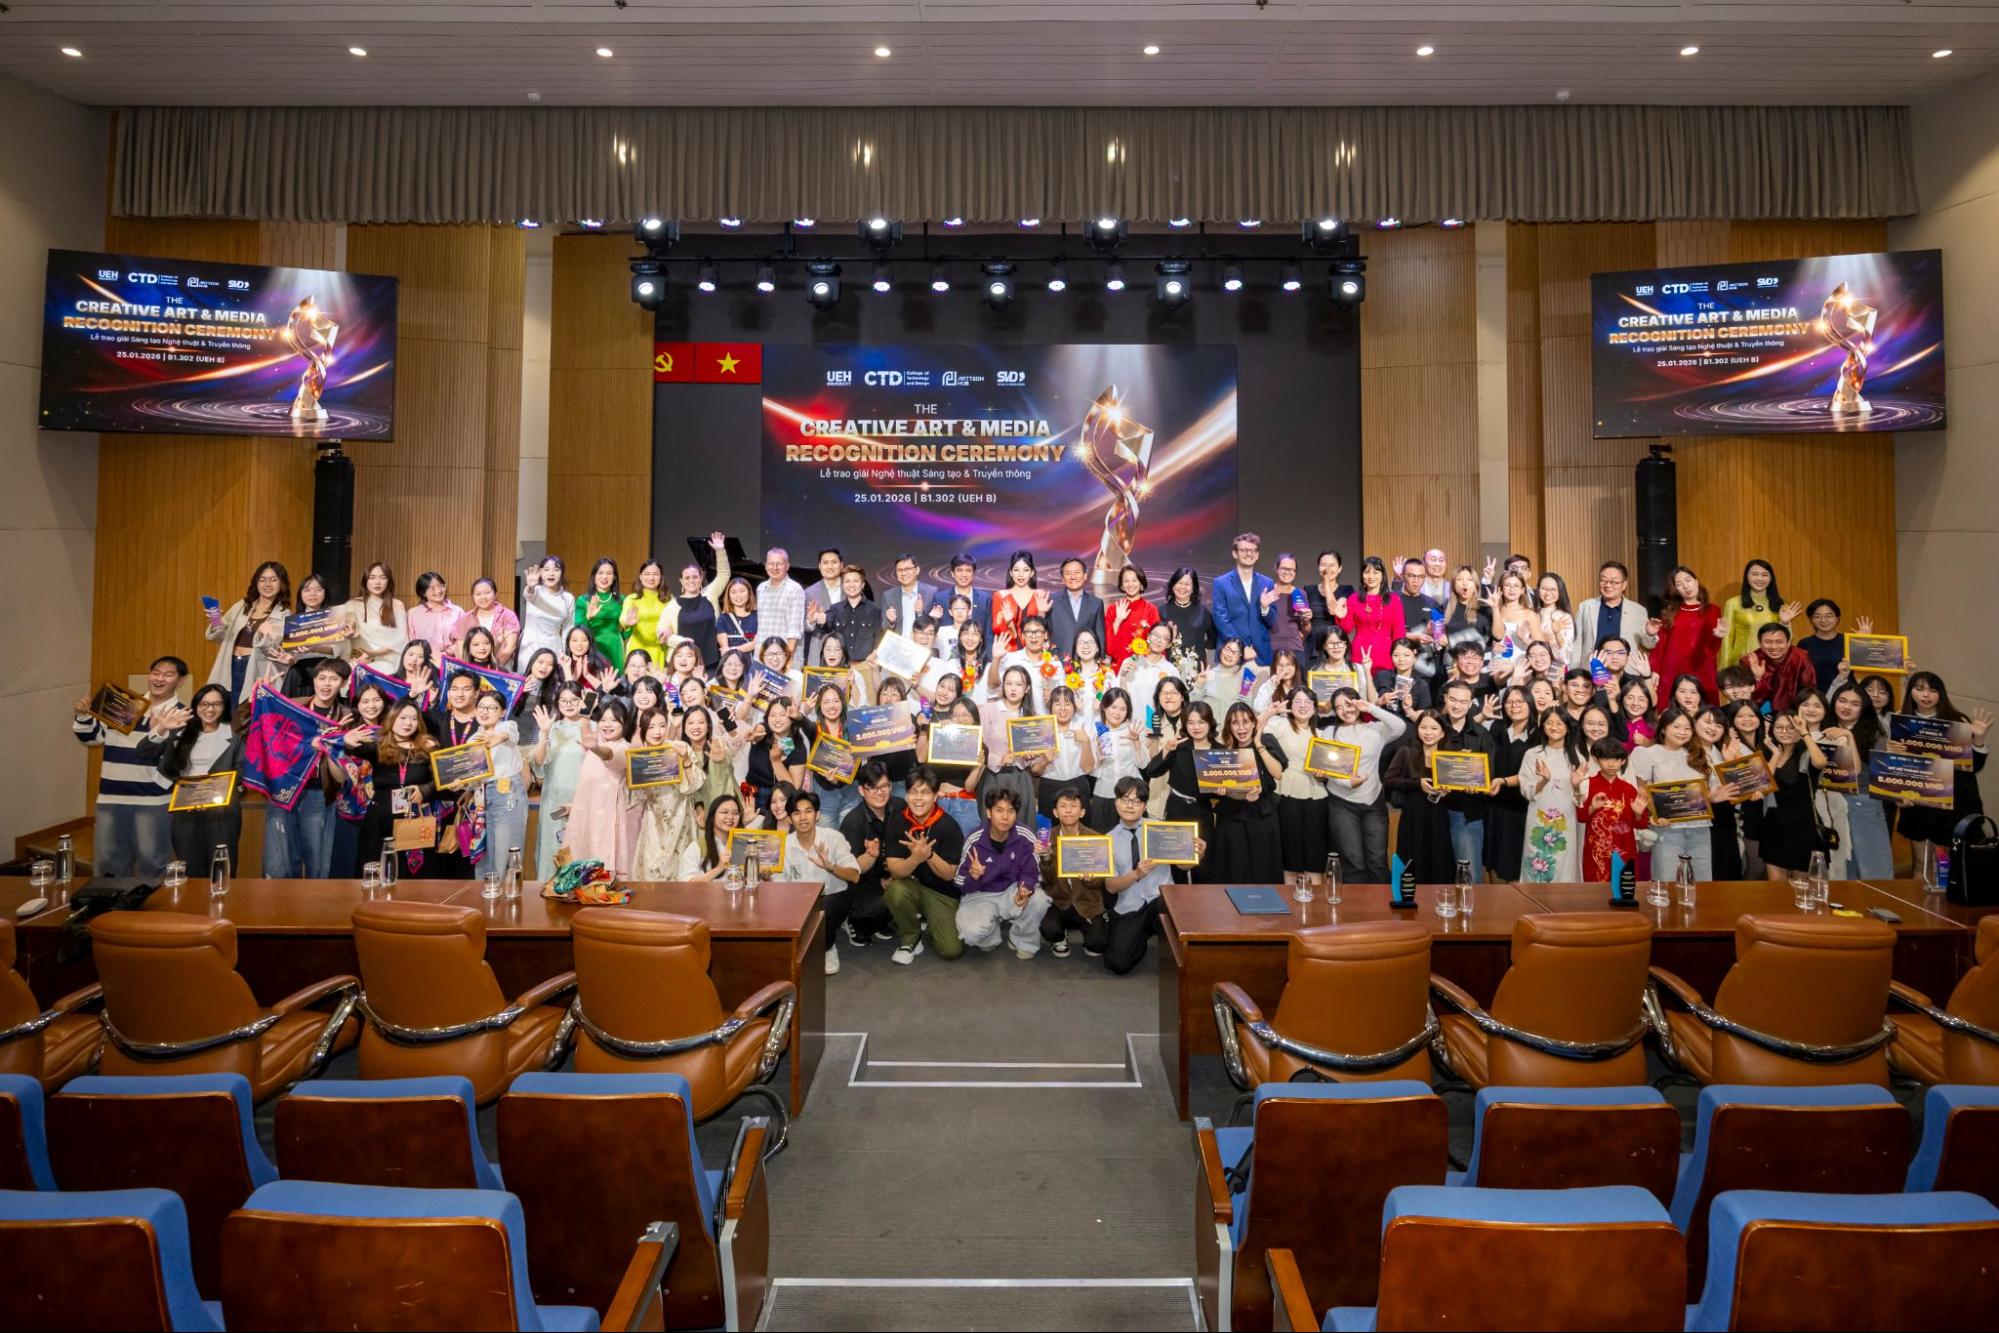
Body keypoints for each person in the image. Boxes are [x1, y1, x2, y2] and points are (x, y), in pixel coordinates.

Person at [72, 655, 186, 879]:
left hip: (154, 800)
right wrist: (82, 715)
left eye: (168, 674)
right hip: (111, 797)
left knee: (152, 863)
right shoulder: (125, 706)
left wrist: (160, 732)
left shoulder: (182, 714)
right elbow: (91, 738)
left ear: (180, 681)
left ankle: (152, 904)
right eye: (155, 673)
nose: (159, 678)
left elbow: (177, 762)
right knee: (109, 864)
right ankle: (110, 903)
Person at [134, 683, 245, 873]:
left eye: (216, 704)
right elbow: (142, 753)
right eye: (204, 704)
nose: (210, 709)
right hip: (185, 812)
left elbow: (242, 771)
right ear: (196, 706)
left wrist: (212, 792)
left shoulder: (235, 736)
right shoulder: (181, 732)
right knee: (190, 869)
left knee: (221, 868)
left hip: (222, 813)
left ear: (225, 707)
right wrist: (162, 728)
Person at [263, 658, 355, 879]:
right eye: (322, 678)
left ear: (343, 683)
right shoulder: (292, 705)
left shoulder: (346, 715)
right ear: (314, 680)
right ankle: (282, 901)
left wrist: (332, 743)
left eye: (334, 679)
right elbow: (249, 726)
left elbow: (347, 762)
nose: (326, 684)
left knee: (317, 859)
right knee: (280, 859)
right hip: (284, 788)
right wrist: (260, 698)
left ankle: (316, 901)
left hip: (318, 790)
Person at [1894, 671, 1992, 870]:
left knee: (1948, 864)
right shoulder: (1900, 721)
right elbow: (1894, 767)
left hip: (1954, 803)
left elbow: (1974, 767)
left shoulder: (1957, 720)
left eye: (1932, 690)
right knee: (1921, 863)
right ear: (1911, 691)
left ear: (1941, 693)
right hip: (1919, 802)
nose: (1926, 695)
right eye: (1920, 689)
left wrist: (1978, 739)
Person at [338, 698, 439, 883]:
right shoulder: (379, 744)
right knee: (376, 872)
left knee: (415, 876)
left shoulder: (428, 746)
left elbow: (441, 780)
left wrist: (425, 790)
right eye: (402, 718)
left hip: (415, 817)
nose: (408, 723)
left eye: (413, 719)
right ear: (392, 719)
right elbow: (354, 749)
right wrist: (347, 741)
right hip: (380, 818)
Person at [1102, 776, 1192, 974]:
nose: (1130, 806)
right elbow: (1111, 887)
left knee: (1167, 904)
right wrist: (1136, 874)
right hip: (1129, 906)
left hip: (1160, 901)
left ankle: (1175, 945)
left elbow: (1183, 866)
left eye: (1137, 801)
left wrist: (1196, 856)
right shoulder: (1108, 839)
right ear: (1116, 803)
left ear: (1144, 806)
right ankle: (1139, 936)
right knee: (1117, 964)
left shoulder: (1161, 829)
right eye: (1125, 800)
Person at [1319, 687, 1407, 883]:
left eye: (1348, 704)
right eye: (1338, 707)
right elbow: (1327, 769)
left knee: (1377, 861)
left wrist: (1371, 708)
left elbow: (1400, 727)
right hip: (1341, 803)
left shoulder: (1375, 729)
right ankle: (1356, 904)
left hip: (1373, 803)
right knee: (1353, 862)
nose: (1345, 710)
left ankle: (1379, 903)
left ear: (1357, 703)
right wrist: (1347, 782)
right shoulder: (1329, 733)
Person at [952, 788, 1051, 960]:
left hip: (1012, 890)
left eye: (1010, 811)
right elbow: (960, 883)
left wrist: (1025, 888)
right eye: (999, 810)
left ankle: (1022, 940)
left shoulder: (1025, 835)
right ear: (989, 813)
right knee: (970, 931)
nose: (1005, 816)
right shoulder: (974, 839)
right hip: (980, 894)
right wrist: (973, 877)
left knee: (1040, 899)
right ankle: (990, 936)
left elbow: (1031, 871)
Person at [1626, 706, 1720, 880]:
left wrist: (1713, 797)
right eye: (1676, 727)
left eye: (1687, 728)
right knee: (1666, 881)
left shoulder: (1699, 754)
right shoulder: (1648, 754)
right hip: (1667, 829)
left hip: (1699, 828)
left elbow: (1706, 792)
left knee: (1702, 881)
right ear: (1663, 728)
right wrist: (1653, 814)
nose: (1682, 732)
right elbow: (1641, 790)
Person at [781, 790, 861, 975]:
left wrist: (831, 867)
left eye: (808, 811)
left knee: (825, 907)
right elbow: (780, 887)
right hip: (799, 902)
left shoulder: (833, 838)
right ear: (790, 819)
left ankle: (828, 947)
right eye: (796, 813)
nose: (803, 817)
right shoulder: (784, 844)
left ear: (817, 815)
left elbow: (854, 876)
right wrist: (766, 877)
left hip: (832, 899)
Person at [1209, 702, 1283, 884]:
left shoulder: (1266, 740)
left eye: (1246, 722)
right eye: (1235, 723)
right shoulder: (1223, 750)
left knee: (1262, 868)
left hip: (1262, 816)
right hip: (1231, 817)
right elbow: (1218, 785)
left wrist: (1258, 744)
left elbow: (1278, 773)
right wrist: (1223, 791)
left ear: (1253, 723)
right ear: (1229, 726)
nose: (1241, 728)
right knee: (1233, 868)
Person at [1826, 681, 1893, 879]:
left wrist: (1849, 737)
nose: (1846, 707)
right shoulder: (1825, 728)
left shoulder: (1875, 733)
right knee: (1844, 868)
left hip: (1863, 802)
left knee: (1874, 866)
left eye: (1854, 704)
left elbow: (1881, 774)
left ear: (1863, 708)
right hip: (1831, 803)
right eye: (1842, 701)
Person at [567, 698, 639, 874]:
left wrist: (596, 749)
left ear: (624, 724)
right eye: (603, 720)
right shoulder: (597, 740)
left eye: (614, 720)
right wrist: (587, 706)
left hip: (606, 818)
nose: (607, 724)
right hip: (584, 814)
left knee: (601, 866)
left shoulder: (624, 748)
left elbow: (608, 754)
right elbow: (586, 733)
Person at [837, 761, 903, 951]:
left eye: (884, 786)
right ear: (861, 790)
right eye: (872, 788)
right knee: (872, 909)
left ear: (891, 786)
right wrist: (870, 855)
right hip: (863, 883)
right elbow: (851, 871)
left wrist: (894, 877)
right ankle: (855, 923)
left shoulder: (900, 807)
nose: (879, 792)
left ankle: (883, 920)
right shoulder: (853, 822)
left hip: (894, 873)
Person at [1384, 711, 1456, 883]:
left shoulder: (1449, 756)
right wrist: (1417, 784)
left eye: (1434, 728)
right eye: (1423, 727)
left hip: (1439, 818)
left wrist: (1448, 791)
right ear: (1417, 730)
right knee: (1411, 863)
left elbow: (1457, 789)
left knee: (1439, 863)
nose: (1428, 732)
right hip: (1412, 818)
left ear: (1442, 733)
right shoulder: (1406, 752)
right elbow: (1388, 780)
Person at [205, 560, 289, 705]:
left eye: (273, 580)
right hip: (229, 664)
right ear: (256, 583)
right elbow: (219, 638)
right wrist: (216, 621)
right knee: (224, 707)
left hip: (253, 668)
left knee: (245, 710)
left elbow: (272, 650)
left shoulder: (284, 614)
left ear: (282, 584)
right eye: (262, 579)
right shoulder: (241, 606)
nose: (267, 584)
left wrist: (262, 634)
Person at [1437, 679, 1497, 881]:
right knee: (1434, 875)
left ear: (1471, 703)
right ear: (1445, 699)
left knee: (1469, 876)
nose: (1457, 706)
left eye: (1463, 702)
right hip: (1433, 812)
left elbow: (1488, 775)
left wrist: (1477, 781)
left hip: (1467, 812)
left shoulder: (1482, 734)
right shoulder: (1431, 727)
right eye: (1453, 700)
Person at [1037, 787, 1109, 958]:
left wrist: (1090, 879)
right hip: (1059, 901)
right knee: (1048, 930)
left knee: (1097, 945)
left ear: (1082, 812)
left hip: (1087, 903)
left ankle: (1096, 924)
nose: (1068, 810)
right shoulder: (1047, 838)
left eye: (1073, 806)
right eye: (1063, 806)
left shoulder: (1095, 838)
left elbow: (1100, 882)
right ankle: (1060, 936)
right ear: (1055, 812)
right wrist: (1046, 858)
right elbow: (1047, 881)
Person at [1759, 711, 1829, 879]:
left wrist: (1804, 733)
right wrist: (1775, 755)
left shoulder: (1807, 754)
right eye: (1779, 727)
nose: (1784, 731)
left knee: (1802, 888)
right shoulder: (1768, 754)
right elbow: (1764, 785)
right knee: (1776, 889)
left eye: (1791, 727)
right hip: (1774, 827)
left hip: (1803, 829)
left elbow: (1821, 763)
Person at [468, 687, 528, 880]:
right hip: (480, 797)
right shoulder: (473, 739)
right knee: (483, 851)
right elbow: (472, 773)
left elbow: (510, 735)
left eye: (492, 708)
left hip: (506, 793)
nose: (485, 711)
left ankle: (506, 894)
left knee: (505, 849)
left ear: (502, 712)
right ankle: (485, 894)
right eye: (481, 707)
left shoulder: (507, 726)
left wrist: (497, 738)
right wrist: (462, 785)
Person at [1518, 707, 1582, 883]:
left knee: (1564, 867)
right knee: (1537, 866)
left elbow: (1582, 797)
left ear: (1567, 727)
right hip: (1539, 820)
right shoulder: (1533, 755)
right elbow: (1526, 791)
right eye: (1549, 723)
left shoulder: (1577, 756)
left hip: (1566, 821)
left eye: (1559, 723)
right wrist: (1544, 781)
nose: (1554, 727)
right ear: (1543, 726)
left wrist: (1576, 785)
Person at [1647, 566, 1723, 703]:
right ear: (1675, 589)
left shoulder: (1713, 610)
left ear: (1696, 581)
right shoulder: (1669, 612)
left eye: (1688, 580)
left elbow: (1713, 649)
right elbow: (1661, 644)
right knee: (1672, 710)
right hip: (1672, 669)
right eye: (1679, 584)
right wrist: (1655, 670)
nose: (1686, 586)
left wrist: (1718, 636)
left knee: (1704, 710)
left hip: (1702, 667)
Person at [1484, 686, 1536, 880]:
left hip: (1522, 810)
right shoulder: (1497, 728)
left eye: (1520, 701)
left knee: (1515, 867)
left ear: (1530, 703)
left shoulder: (1539, 734)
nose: (1514, 706)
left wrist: (1503, 782)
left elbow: (1532, 775)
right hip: (1494, 807)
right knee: (1493, 863)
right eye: (1509, 702)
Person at [1578, 737, 1643, 881]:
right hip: (1596, 850)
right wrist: (1592, 808)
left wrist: (1638, 814)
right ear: (1596, 759)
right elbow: (1581, 817)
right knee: (1595, 888)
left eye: (1616, 759)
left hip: (1625, 848)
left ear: (1623, 761)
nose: (1611, 764)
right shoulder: (1587, 785)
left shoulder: (1629, 789)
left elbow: (1639, 824)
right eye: (1605, 759)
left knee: (1624, 887)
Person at [1572, 561, 1656, 666]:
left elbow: (1648, 645)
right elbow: (1576, 643)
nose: (1608, 585)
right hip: (1592, 669)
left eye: (1614, 582)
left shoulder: (1638, 611)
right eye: (1603, 580)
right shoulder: (1585, 606)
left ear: (1624, 585)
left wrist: (1650, 634)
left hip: (1625, 670)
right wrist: (1574, 670)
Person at [1211, 531, 1278, 663]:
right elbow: (1221, 620)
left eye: (1253, 550)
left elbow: (1272, 622)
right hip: (1230, 654)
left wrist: (1265, 608)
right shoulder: (1221, 583)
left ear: (1257, 555)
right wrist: (1241, 647)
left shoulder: (1267, 583)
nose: (1249, 554)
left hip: (1260, 655)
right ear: (1235, 553)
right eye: (1244, 550)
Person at [1719, 559, 1796, 670]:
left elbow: (1787, 640)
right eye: (1755, 574)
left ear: (1771, 579)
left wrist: (1785, 623)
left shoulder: (1780, 604)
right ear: (1747, 577)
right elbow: (1726, 640)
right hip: (1743, 664)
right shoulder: (1733, 603)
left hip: (1772, 664)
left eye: (1764, 575)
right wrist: (1724, 671)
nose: (1760, 578)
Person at [1337, 557, 1402, 668]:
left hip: (1386, 654)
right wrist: (1340, 616)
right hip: (1360, 653)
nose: (1371, 576)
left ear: (1382, 576)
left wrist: (1399, 655)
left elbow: (1399, 631)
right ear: (1362, 575)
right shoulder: (1354, 599)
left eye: (1376, 572)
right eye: (1366, 572)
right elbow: (1346, 629)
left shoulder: (1394, 599)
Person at [1743, 622, 1817, 713]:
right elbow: (1745, 697)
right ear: (1760, 643)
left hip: (1794, 711)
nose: (1774, 647)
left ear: (1788, 642)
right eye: (1768, 642)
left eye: (1779, 642)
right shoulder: (1749, 662)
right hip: (1758, 712)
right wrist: (1758, 678)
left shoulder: (1801, 657)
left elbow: (1808, 689)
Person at [1045, 556, 1108, 659]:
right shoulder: (1051, 600)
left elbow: (1100, 636)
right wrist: (1041, 613)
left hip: (1086, 661)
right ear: (1062, 579)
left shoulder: (1096, 603)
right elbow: (1042, 631)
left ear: (1085, 575)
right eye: (1068, 573)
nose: (1073, 577)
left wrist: (1101, 660)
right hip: (1057, 661)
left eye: (1077, 572)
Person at [991, 550, 1051, 656]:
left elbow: (1042, 632)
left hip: (1034, 654)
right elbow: (997, 629)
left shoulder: (1040, 595)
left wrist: (1041, 613)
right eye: (1016, 570)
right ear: (1011, 572)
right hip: (1007, 653)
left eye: (1026, 570)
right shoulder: (1000, 596)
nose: (1021, 575)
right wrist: (1008, 623)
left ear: (1032, 573)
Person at [518, 556, 574, 668]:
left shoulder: (568, 598)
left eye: (556, 570)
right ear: (541, 573)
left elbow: (568, 628)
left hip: (554, 647)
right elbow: (528, 595)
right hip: (530, 646)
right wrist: (530, 586)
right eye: (547, 569)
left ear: (562, 574)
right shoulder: (535, 590)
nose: (551, 573)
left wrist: (566, 653)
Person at [452, 577, 520, 669]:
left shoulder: (508, 615)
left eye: (487, 593)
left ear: (495, 594)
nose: (483, 597)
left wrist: (493, 669)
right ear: (473, 596)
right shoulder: (465, 618)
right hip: (472, 669)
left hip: (501, 667)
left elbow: (509, 648)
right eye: (478, 594)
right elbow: (462, 651)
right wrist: (469, 670)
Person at [754, 547, 808, 660]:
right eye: (771, 563)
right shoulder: (761, 588)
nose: (775, 567)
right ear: (766, 566)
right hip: (762, 656)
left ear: (787, 566)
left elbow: (794, 631)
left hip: (785, 657)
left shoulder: (795, 590)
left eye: (779, 564)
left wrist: (786, 660)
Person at [824, 563, 883, 662]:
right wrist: (820, 620)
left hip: (865, 665)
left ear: (862, 585)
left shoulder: (874, 609)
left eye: (855, 581)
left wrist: (874, 654)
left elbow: (879, 637)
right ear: (842, 585)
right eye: (847, 581)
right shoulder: (835, 609)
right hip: (841, 665)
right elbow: (826, 627)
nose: (851, 585)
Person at [679, 793, 746, 880]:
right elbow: (686, 884)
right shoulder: (697, 847)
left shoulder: (743, 846)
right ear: (712, 816)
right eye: (724, 812)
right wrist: (719, 868)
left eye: (735, 813)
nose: (730, 817)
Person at [1103, 564, 1159, 669]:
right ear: (1122, 585)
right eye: (1126, 581)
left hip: (1144, 666)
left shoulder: (1151, 609)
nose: (1130, 584)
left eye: (1134, 580)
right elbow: (1108, 647)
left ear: (1141, 583)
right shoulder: (1113, 609)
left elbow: (1157, 642)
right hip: (1119, 666)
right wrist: (1118, 620)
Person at [618, 560, 671, 668]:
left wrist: (670, 630)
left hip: (659, 649)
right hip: (637, 648)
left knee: (656, 678)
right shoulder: (632, 599)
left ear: (661, 577)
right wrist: (627, 621)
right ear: (641, 577)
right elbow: (623, 618)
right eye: (647, 574)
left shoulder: (669, 599)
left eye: (655, 574)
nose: (651, 578)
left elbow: (675, 622)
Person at [1158, 566, 1214, 665]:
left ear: (1193, 589)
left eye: (1187, 584)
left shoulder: (1203, 612)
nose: (1182, 587)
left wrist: (1203, 647)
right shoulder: (1161, 611)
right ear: (1173, 585)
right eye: (1179, 583)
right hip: (1169, 668)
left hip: (1195, 667)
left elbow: (1214, 638)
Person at [575, 559, 625, 666]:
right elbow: (578, 629)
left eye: (609, 573)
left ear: (614, 577)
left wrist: (624, 632)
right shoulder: (583, 600)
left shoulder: (621, 600)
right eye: (600, 573)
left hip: (615, 647)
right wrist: (588, 617)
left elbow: (628, 630)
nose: (605, 577)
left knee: (615, 676)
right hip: (593, 647)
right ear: (594, 576)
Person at [1798, 598, 1855, 687]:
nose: (1823, 620)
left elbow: (1864, 665)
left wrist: (1864, 641)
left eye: (1829, 616)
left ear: (1837, 618)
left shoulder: (1848, 640)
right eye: (1817, 616)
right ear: (1811, 620)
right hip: (1815, 693)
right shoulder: (1804, 644)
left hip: (1845, 693)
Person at [877, 552, 933, 642]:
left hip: (923, 645)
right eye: (899, 570)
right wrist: (891, 622)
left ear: (917, 570)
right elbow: (884, 629)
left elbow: (937, 626)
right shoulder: (888, 596)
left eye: (907, 569)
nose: (903, 573)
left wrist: (921, 613)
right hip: (899, 645)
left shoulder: (931, 592)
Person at [407, 571, 463, 659]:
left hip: (451, 660)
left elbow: (464, 638)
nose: (438, 590)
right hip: (424, 661)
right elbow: (411, 641)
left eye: (441, 586)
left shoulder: (457, 612)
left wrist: (449, 651)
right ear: (423, 592)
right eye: (432, 588)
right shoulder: (413, 614)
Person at [1535, 572, 1577, 665]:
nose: (1548, 593)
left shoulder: (1564, 617)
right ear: (1538, 590)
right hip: (1534, 666)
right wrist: (1543, 638)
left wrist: (1557, 634)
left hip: (1556, 667)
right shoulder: (1532, 615)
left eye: (1553, 589)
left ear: (1560, 592)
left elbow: (1566, 656)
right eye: (1544, 589)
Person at [716, 576, 759, 659]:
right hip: (731, 662)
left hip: (753, 663)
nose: (738, 595)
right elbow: (724, 648)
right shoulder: (723, 619)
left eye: (742, 591)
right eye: (733, 592)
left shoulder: (758, 617)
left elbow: (756, 644)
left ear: (749, 593)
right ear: (729, 596)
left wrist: (733, 649)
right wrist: (731, 651)